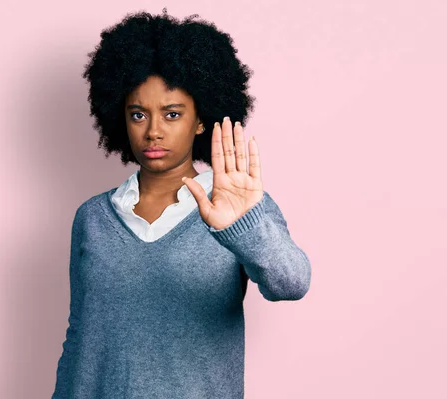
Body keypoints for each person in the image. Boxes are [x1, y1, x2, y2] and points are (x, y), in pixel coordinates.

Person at [52, 9, 311, 398]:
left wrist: (243, 227)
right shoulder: (92, 218)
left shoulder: (237, 210)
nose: (153, 131)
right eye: (138, 114)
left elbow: (291, 283)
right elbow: (81, 339)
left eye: (172, 114)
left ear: (201, 121)